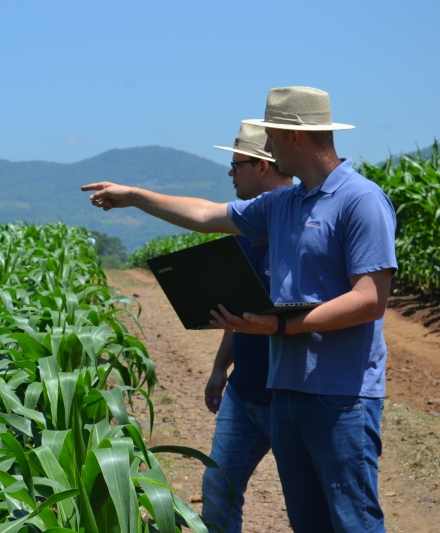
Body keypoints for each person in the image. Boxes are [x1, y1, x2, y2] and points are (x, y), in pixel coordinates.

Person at [82, 86, 396, 533]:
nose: (264, 147)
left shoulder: (361, 200)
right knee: (309, 523)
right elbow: (207, 214)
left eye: (270, 135)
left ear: (293, 137)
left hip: (341, 395)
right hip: (286, 390)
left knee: (352, 522)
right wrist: (134, 196)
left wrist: (280, 327)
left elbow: (369, 299)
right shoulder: (282, 204)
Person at [200, 124, 292, 533]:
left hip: (292, 395)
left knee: (308, 506)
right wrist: (221, 367)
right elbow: (239, 308)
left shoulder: (296, 226)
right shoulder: (241, 230)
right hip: (245, 390)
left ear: (262, 166)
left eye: (236, 165)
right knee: (218, 490)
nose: (230, 174)